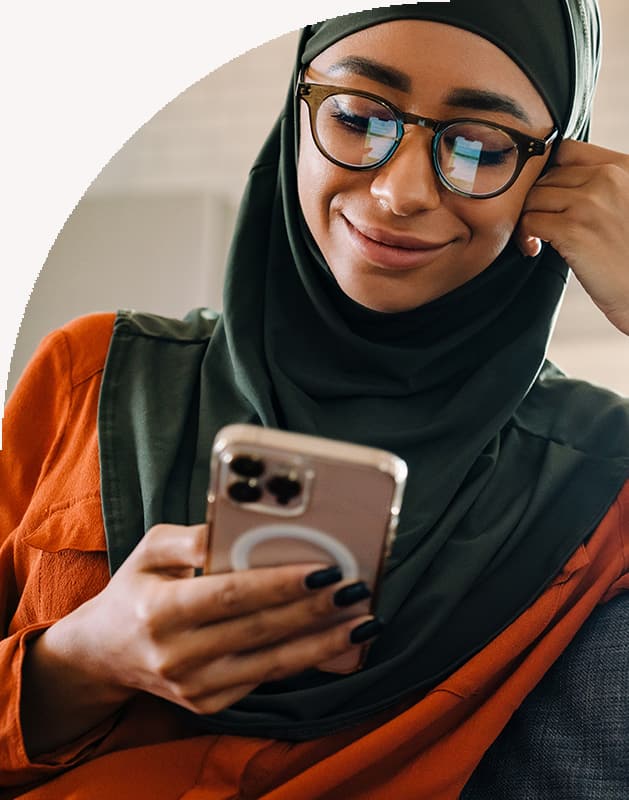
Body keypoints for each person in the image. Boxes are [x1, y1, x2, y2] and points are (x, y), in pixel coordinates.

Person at [1, 1, 628, 797]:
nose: (400, 192)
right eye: (359, 118)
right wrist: (80, 661)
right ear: (297, 114)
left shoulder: (597, 472)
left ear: (552, 174)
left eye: (479, 146)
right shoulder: (90, 376)